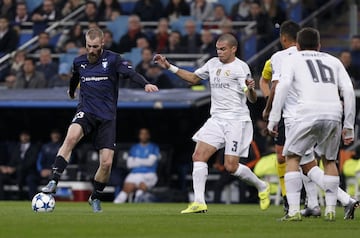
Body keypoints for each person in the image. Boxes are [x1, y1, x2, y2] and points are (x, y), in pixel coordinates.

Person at [41, 27, 159, 212]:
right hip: (86, 111)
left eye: (95, 46)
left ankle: (95, 197)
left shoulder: (113, 59)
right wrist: (72, 92)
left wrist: (146, 84)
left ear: (102, 44)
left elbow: (130, 73)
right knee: (70, 138)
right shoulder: (79, 61)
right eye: (89, 46)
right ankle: (53, 181)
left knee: (106, 163)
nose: (91, 50)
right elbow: (75, 78)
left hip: (107, 116)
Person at [153, 33, 271, 213]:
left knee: (231, 167)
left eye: (223, 49)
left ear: (233, 49)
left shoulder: (241, 68)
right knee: (198, 156)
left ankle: (262, 186)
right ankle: (199, 202)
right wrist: (169, 66)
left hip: (236, 121)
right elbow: (193, 78)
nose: (219, 52)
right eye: (217, 49)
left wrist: (252, 89)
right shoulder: (212, 63)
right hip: (216, 119)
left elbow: (252, 98)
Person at [268, 27, 356, 221]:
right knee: (329, 160)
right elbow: (349, 91)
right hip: (334, 113)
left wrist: (273, 118)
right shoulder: (334, 61)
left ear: (297, 46)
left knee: (292, 157)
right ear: (319, 45)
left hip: (306, 112)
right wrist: (349, 125)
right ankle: (331, 210)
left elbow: (281, 87)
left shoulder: (292, 59)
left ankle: (293, 212)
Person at [113, 128, 160, 203]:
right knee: (127, 188)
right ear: (139, 136)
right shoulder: (134, 148)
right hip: (134, 174)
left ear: (148, 136)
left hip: (149, 174)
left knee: (141, 187)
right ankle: (115, 205)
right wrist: (144, 160)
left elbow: (150, 162)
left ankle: (138, 201)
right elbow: (129, 164)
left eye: (145, 134)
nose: (143, 136)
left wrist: (136, 160)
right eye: (142, 134)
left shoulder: (153, 147)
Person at [0, 131, 40, 200]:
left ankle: (26, 199)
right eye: (22, 135)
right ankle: (2, 200)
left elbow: (31, 162)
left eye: (26, 135)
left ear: (29, 136)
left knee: (29, 179)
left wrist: (15, 168)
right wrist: (7, 168)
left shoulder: (35, 147)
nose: (24, 137)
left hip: (29, 172)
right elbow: (12, 161)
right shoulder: (16, 147)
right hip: (15, 173)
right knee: (1, 177)